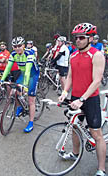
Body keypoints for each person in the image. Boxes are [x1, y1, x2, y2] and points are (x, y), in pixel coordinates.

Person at [59, 23, 106, 176]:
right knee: (74, 127)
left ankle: (101, 169)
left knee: (96, 134)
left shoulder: (97, 55)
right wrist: (65, 91)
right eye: (76, 38)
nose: (77, 40)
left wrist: (83, 99)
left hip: (90, 99)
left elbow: (97, 81)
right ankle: (74, 153)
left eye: (81, 38)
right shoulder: (73, 55)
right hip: (75, 98)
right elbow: (70, 77)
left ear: (90, 38)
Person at [0, 36, 39, 133]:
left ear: (24, 46)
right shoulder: (13, 54)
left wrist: (25, 85)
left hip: (32, 75)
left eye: (19, 46)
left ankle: (30, 123)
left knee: (31, 100)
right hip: (23, 73)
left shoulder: (29, 53)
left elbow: (28, 70)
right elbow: (8, 68)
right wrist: (1, 80)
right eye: (15, 46)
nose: (17, 48)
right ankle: (20, 107)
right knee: (16, 91)